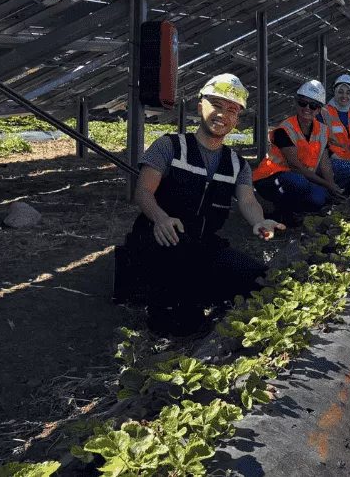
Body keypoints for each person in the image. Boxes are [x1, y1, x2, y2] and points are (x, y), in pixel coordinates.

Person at [114, 73, 284, 336]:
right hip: (162, 240)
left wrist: (259, 221)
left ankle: (199, 292)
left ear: (237, 119)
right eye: (216, 105)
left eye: (231, 110)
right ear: (200, 105)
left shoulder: (236, 164)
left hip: (203, 244)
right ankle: (169, 302)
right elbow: (144, 191)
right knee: (181, 322)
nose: (222, 114)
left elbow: (248, 200)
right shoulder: (170, 146)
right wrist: (160, 217)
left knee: (259, 278)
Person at [253, 80, 346, 219]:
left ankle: (295, 209)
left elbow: (325, 164)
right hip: (270, 178)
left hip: (301, 177)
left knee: (319, 198)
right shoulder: (285, 130)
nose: (307, 108)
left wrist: (332, 187)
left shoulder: (322, 131)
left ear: (319, 110)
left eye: (313, 106)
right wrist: (327, 185)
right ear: (296, 103)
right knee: (298, 182)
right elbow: (295, 167)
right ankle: (278, 212)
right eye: (303, 103)